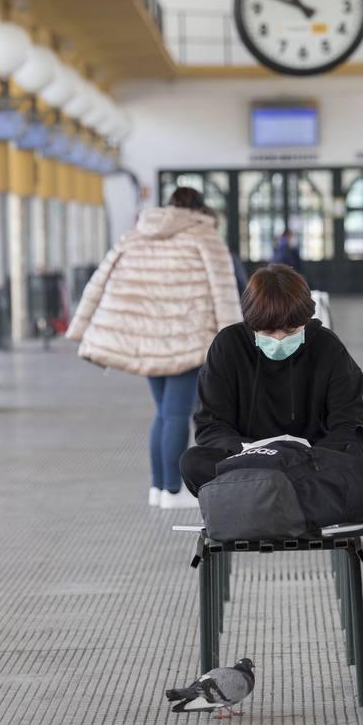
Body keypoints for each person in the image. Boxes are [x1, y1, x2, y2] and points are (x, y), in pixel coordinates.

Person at [67, 186, 242, 509]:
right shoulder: (205, 237)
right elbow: (224, 292)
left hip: (144, 341)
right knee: (177, 415)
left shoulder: (136, 235)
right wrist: (232, 342)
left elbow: (99, 282)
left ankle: (159, 487)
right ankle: (174, 491)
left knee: (163, 413)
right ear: (202, 210)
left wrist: (80, 328)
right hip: (188, 339)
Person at [180, 264, 363, 495]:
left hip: (310, 464)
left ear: (306, 320)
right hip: (246, 463)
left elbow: (350, 423)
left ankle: (261, 504)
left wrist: (307, 454)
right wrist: (251, 451)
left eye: (290, 331)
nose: (279, 339)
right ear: (251, 324)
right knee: (193, 461)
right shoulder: (228, 346)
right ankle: (285, 504)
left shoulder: (328, 347)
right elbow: (211, 426)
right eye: (269, 333)